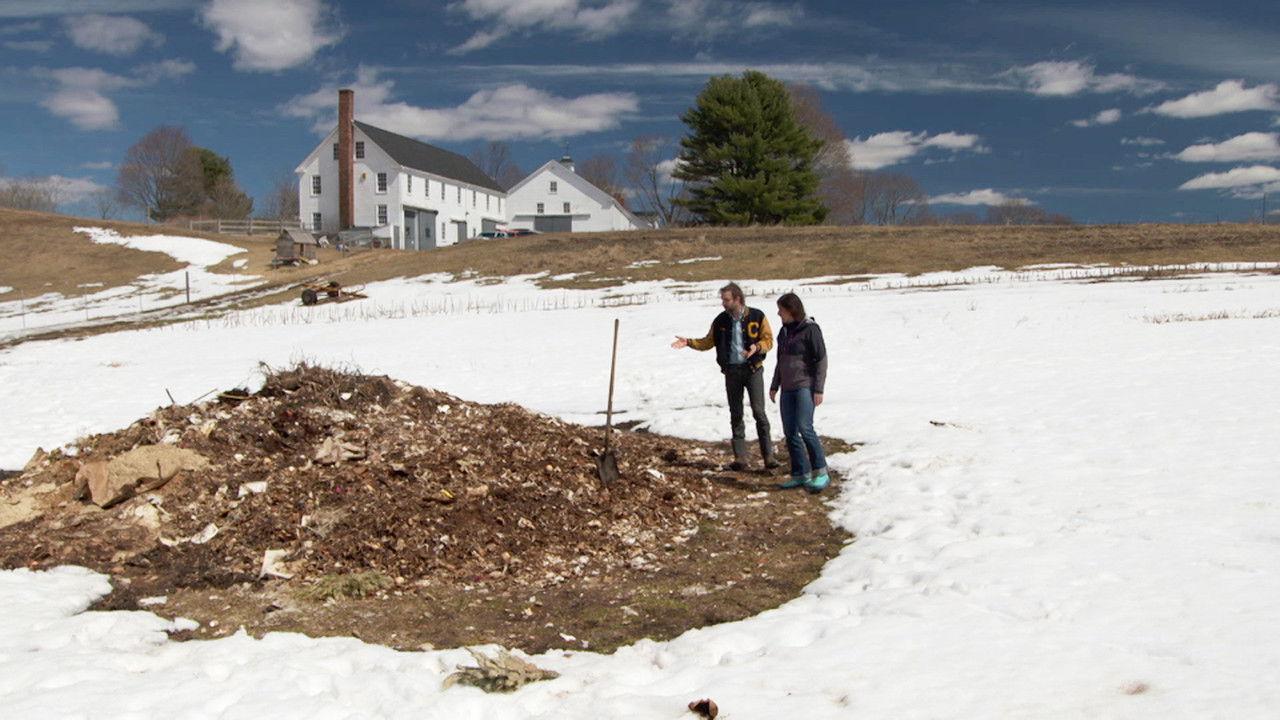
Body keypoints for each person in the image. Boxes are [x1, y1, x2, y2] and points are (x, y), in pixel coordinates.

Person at [672, 282, 780, 471]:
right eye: (723, 299)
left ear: (737, 299)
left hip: (753, 369)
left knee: (759, 412)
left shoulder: (757, 316)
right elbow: (708, 341)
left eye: (726, 299)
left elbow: (769, 340)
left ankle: (768, 456)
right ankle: (740, 458)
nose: (723, 303)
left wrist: (757, 347)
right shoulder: (721, 320)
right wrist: (688, 342)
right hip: (731, 373)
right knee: (736, 414)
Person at [769, 292, 830, 493]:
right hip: (787, 388)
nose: (779, 313)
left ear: (791, 310)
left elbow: (821, 360)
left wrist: (818, 388)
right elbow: (781, 361)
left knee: (805, 428)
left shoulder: (811, 330)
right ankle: (800, 473)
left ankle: (820, 471)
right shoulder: (783, 332)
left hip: (805, 386)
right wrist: (774, 384)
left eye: (781, 310)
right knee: (790, 432)